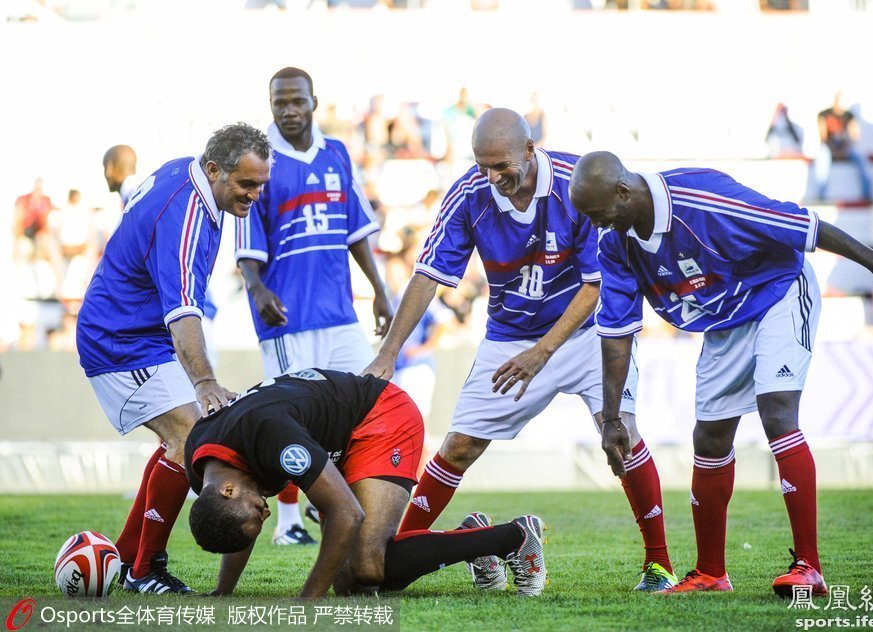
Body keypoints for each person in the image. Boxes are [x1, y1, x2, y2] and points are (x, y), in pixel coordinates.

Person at [568, 151, 873, 596]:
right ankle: (711, 574)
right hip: (724, 319)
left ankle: (809, 568)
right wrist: (611, 417)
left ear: (623, 191)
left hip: (778, 291)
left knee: (777, 410)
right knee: (709, 438)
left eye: (598, 213)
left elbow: (804, 226)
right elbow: (617, 334)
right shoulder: (615, 244)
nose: (597, 225)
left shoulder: (702, 198)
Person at [363, 108, 676, 592]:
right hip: (510, 337)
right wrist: (388, 352)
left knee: (622, 437)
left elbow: (595, 286)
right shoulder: (470, 193)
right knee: (459, 447)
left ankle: (659, 565)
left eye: (501, 165)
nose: (491, 177)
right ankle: (397, 556)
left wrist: (543, 353)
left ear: (530, 150)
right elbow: (428, 275)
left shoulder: (577, 184)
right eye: (482, 165)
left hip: (588, 335)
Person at [76, 123, 272, 593]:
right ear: (214, 170)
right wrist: (204, 382)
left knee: (181, 439)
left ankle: (127, 556)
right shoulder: (186, 211)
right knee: (188, 437)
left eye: (261, 183)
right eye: (247, 183)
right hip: (120, 340)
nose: (255, 194)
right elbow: (182, 308)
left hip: (141, 335)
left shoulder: (188, 177)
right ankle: (145, 570)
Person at [185, 369, 548, 598]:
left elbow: (347, 514)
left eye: (256, 512)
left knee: (368, 567)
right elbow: (235, 522)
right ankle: (469, 539)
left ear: (228, 490)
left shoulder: (271, 437)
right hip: (333, 442)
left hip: (379, 416)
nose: (266, 513)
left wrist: (307, 602)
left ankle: (514, 536)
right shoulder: (206, 470)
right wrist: (222, 591)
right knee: (352, 587)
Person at [234, 67, 392, 546]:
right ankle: (288, 524)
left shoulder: (336, 153)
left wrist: (380, 290)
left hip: (339, 313)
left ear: (313, 102)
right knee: (286, 420)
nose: (289, 109)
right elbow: (246, 241)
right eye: (280, 101)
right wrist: (257, 290)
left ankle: (339, 502)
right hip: (287, 319)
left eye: (297, 100)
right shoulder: (258, 160)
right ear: (271, 105)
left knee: (369, 404)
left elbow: (356, 230)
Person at [815, 91, 873, 202]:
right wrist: (834, 150)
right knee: (822, 157)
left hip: (845, 148)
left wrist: (844, 150)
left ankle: (867, 194)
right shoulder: (824, 114)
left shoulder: (849, 116)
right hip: (829, 148)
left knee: (861, 156)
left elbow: (854, 137)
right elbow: (823, 138)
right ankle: (821, 195)